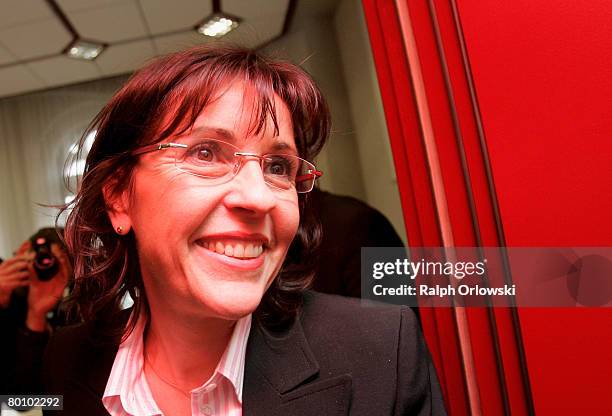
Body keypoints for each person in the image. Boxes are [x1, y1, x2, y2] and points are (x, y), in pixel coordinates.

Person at [44, 45, 446, 415]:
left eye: (277, 166)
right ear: (118, 196)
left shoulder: (380, 350)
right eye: (205, 153)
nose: (259, 197)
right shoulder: (65, 361)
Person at [0, 228, 70, 398]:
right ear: (24, 251)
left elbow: (22, 401)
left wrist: (36, 316)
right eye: (42, 258)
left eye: (54, 265)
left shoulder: (68, 316)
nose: (45, 266)